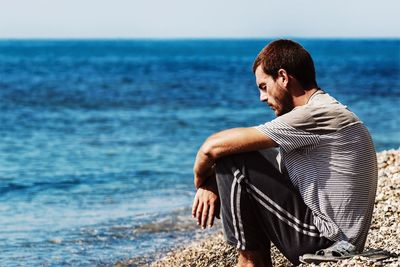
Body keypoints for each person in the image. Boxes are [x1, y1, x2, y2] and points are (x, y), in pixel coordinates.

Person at [191, 39, 378, 266]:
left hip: (328, 243)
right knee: (240, 156)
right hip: (333, 236)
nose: (262, 98)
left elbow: (211, 148)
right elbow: (264, 165)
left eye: (263, 87)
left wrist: (202, 181)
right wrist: (214, 182)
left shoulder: (315, 114)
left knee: (234, 159)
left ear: (283, 77)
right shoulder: (325, 111)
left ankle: (250, 262)